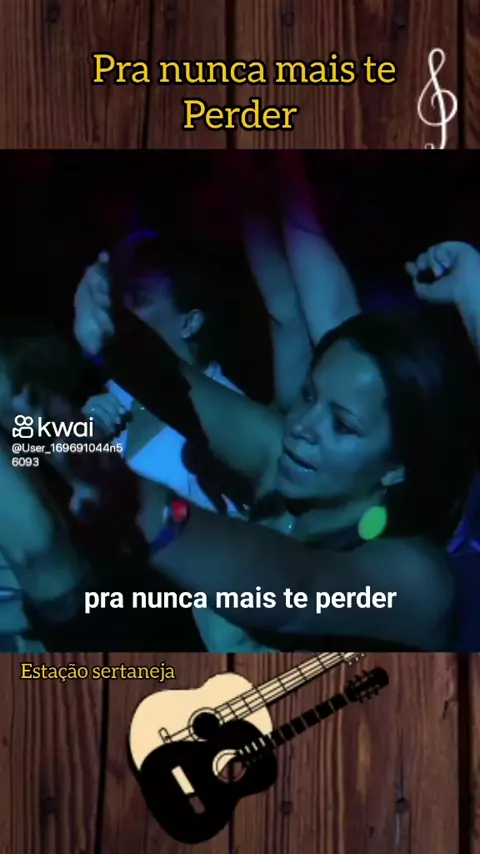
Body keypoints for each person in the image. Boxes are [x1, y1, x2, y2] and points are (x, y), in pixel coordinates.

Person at [61, 226, 480, 652]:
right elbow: (173, 385)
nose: (303, 425)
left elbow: (297, 591)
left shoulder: (418, 579)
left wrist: (145, 505)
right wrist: (110, 329)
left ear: (397, 467)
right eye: (309, 395)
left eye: (342, 426)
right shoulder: (285, 460)